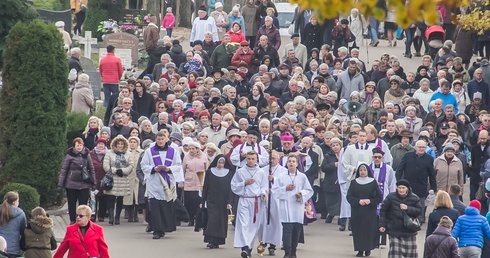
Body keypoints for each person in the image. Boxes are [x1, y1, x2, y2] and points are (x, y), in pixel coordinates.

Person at [140, 131, 182, 239]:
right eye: (158, 139)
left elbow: (178, 165)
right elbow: (143, 165)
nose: (160, 141)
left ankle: (165, 228)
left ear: (166, 139)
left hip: (167, 182)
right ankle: (157, 230)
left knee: (166, 207)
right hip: (154, 182)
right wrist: (153, 169)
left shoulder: (173, 151)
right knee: (155, 208)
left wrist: (169, 169)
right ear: (156, 139)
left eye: (162, 139)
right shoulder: (149, 151)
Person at [272, 153, 314, 258]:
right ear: (286, 163)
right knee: (287, 229)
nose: (291, 163)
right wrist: (285, 188)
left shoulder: (302, 177)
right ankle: (287, 252)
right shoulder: (281, 177)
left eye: (293, 161)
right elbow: (274, 191)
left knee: (296, 230)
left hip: (297, 206)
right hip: (285, 206)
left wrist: (301, 194)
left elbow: (309, 190)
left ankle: (293, 252)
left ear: (297, 164)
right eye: (289, 161)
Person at [231, 150, 268, 258]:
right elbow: (233, 185)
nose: (251, 161)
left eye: (253, 159)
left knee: (253, 226)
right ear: (246, 159)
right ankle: (245, 247)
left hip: (256, 201)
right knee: (243, 224)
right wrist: (244, 183)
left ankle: (249, 248)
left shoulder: (261, 172)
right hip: (244, 200)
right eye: (248, 159)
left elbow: (263, 186)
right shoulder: (240, 171)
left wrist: (263, 193)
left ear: (257, 159)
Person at [379, 179, 423, 258]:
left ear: (407, 188)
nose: (401, 190)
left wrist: (408, 208)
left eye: (403, 188)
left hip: (410, 231)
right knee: (395, 254)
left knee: (410, 255)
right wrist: (382, 225)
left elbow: (419, 212)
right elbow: (383, 211)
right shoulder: (391, 197)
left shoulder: (415, 198)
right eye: (399, 188)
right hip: (394, 230)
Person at [396, 140, 437, 223]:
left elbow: (432, 175)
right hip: (408, 186)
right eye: (419, 147)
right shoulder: (407, 156)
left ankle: (418, 222)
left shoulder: (429, 159)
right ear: (415, 147)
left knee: (420, 206)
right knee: (407, 205)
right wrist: (399, 183)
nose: (421, 149)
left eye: (423, 147)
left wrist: (433, 188)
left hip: (422, 187)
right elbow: (399, 170)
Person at [347, 163, 382, 257]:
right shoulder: (354, 182)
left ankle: (368, 249)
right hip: (357, 211)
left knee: (369, 231)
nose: (362, 172)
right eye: (361, 170)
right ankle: (359, 250)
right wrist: (358, 201)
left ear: (368, 171)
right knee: (358, 231)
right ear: (358, 171)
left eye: (364, 170)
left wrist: (370, 201)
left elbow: (379, 197)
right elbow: (349, 197)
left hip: (369, 211)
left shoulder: (373, 182)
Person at [58, 137, 96, 224]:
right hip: (71, 183)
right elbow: (64, 170)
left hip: (84, 183)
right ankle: (72, 220)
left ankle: (83, 220)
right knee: (71, 203)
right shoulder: (69, 155)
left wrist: (94, 182)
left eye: (80, 145)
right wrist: (60, 184)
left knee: (83, 204)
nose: (79, 147)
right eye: (77, 145)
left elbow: (91, 168)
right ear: (74, 146)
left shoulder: (87, 155)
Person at [201, 155, 233, 248]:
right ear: (216, 162)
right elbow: (206, 187)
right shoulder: (210, 172)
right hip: (212, 200)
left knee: (221, 222)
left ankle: (218, 241)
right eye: (219, 162)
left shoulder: (229, 173)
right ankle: (211, 240)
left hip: (223, 202)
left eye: (223, 163)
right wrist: (202, 201)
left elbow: (230, 189)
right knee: (211, 220)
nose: (221, 164)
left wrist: (229, 202)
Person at [103, 135, 134, 225]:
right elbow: (105, 165)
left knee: (120, 198)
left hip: (123, 178)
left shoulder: (128, 154)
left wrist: (123, 171)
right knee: (111, 198)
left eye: (122, 144)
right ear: (115, 144)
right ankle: (111, 217)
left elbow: (131, 165)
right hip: (112, 178)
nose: (120, 145)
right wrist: (115, 170)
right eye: (118, 144)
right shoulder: (109, 153)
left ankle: (117, 217)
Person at [181, 141, 209, 226]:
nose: (191, 150)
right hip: (189, 182)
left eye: (193, 148)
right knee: (189, 202)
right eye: (190, 149)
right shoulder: (186, 157)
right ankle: (191, 218)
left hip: (200, 182)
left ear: (197, 149)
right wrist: (182, 181)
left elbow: (207, 169)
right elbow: (183, 169)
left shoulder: (204, 157)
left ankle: (199, 219)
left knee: (199, 202)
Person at [0, 192, 26, 257]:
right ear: (14, 202)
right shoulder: (21, 214)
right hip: (14, 249)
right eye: (18, 201)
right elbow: (23, 232)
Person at [90, 137, 109, 222]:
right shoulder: (91, 154)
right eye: (99, 144)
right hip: (94, 179)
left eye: (102, 144)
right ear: (96, 144)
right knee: (93, 198)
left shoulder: (108, 154)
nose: (100, 145)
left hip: (104, 179)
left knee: (103, 198)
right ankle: (93, 215)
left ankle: (101, 215)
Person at [124, 136, 142, 222]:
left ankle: (136, 214)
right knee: (128, 197)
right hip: (128, 178)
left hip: (137, 178)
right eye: (131, 142)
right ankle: (130, 215)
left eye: (134, 142)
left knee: (137, 197)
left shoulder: (141, 152)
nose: (132, 143)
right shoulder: (125, 153)